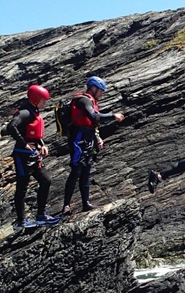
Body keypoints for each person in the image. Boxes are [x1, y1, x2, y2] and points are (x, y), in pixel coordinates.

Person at [61, 77, 125, 215]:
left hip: (88, 137)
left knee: (86, 171)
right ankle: (66, 206)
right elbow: (93, 116)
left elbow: (92, 123)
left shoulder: (92, 100)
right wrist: (113, 116)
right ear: (93, 88)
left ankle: (86, 203)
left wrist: (97, 137)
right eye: (101, 91)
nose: (101, 94)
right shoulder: (83, 100)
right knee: (76, 170)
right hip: (78, 138)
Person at [7, 85, 60, 230]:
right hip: (22, 157)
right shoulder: (25, 112)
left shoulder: (33, 110)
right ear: (36, 99)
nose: (46, 103)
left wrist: (42, 144)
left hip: (33, 156)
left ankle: (41, 215)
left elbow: (34, 133)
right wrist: (24, 144)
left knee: (46, 181)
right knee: (22, 188)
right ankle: (21, 222)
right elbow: (11, 127)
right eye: (44, 100)